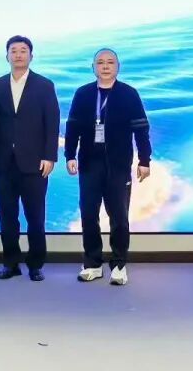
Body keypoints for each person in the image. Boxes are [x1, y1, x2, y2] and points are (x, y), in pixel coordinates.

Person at [65, 48, 152, 286]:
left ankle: (119, 265)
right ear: (93, 67)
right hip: (89, 164)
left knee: (119, 217)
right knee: (88, 214)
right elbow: (72, 127)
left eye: (110, 62)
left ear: (118, 67)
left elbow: (141, 130)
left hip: (119, 165)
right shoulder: (83, 94)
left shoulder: (129, 94)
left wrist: (144, 160)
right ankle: (92, 263)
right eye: (100, 62)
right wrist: (69, 155)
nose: (105, 66)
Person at [0, 35, 60, 281]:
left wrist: (50, 156)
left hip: (35, 163)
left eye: (23, 50)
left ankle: (35, 264)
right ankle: (11, 263)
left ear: (31, 55)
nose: (18, 55)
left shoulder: (44, 85)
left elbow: (52, 122)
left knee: (35, 218)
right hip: (4, 163)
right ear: (7, 56)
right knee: (7, 217)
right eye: (13, 51)